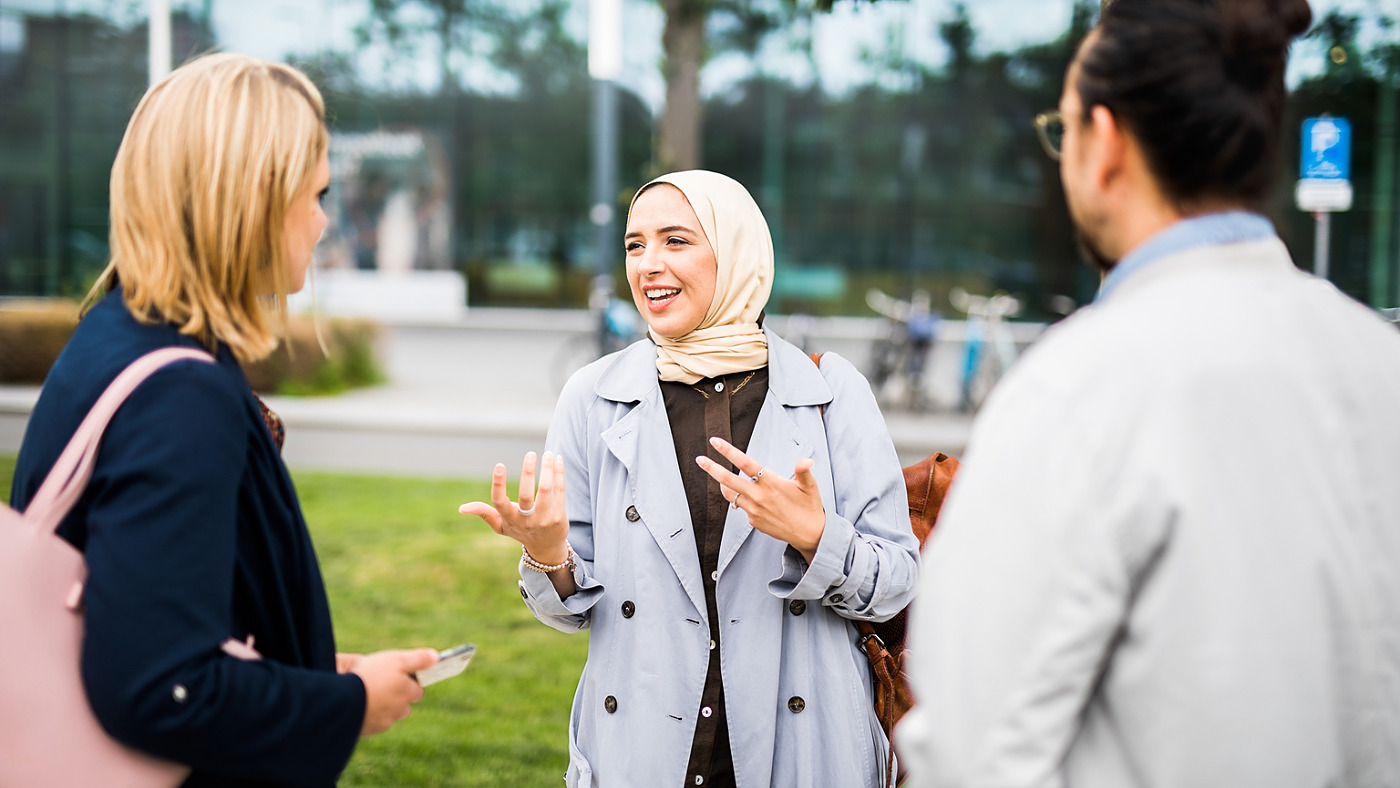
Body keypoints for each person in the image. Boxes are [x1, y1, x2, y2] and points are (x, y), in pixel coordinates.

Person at [896, 1, 1400, 786]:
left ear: (1104, 142)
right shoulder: (1379, 362)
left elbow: (971, 750)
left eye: (1061, 131)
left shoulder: (1078, 389)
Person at [9, 53, 438, 787]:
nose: (322, 221)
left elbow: (157, 613)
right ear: (251, 201)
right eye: (315, 194)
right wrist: (348, 704)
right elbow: (163, 687)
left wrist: (299, 673)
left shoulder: (116, 333)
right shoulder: (181, 392)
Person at [460, 170, 919, 787]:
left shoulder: (831, 392)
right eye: (635, 245)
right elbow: (569, 612)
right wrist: (548, 556)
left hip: (803, 753)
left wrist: (816, 537)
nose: (648, 264)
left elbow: (896, 583)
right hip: (643, 756)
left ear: (736, 252)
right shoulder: (593, 397)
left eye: (675, 240)